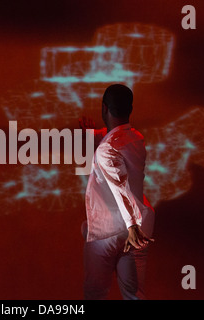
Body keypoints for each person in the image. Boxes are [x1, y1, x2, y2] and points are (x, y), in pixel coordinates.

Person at [80, 84, 155, 300]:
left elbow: (119, 188)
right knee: (134, 295)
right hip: (140, 227)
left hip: (110, 231)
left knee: (95, 292)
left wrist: (131, 225)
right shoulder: (136, 138)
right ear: (129, 109)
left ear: (104, 109)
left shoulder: (106, 150)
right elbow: (112, 137)